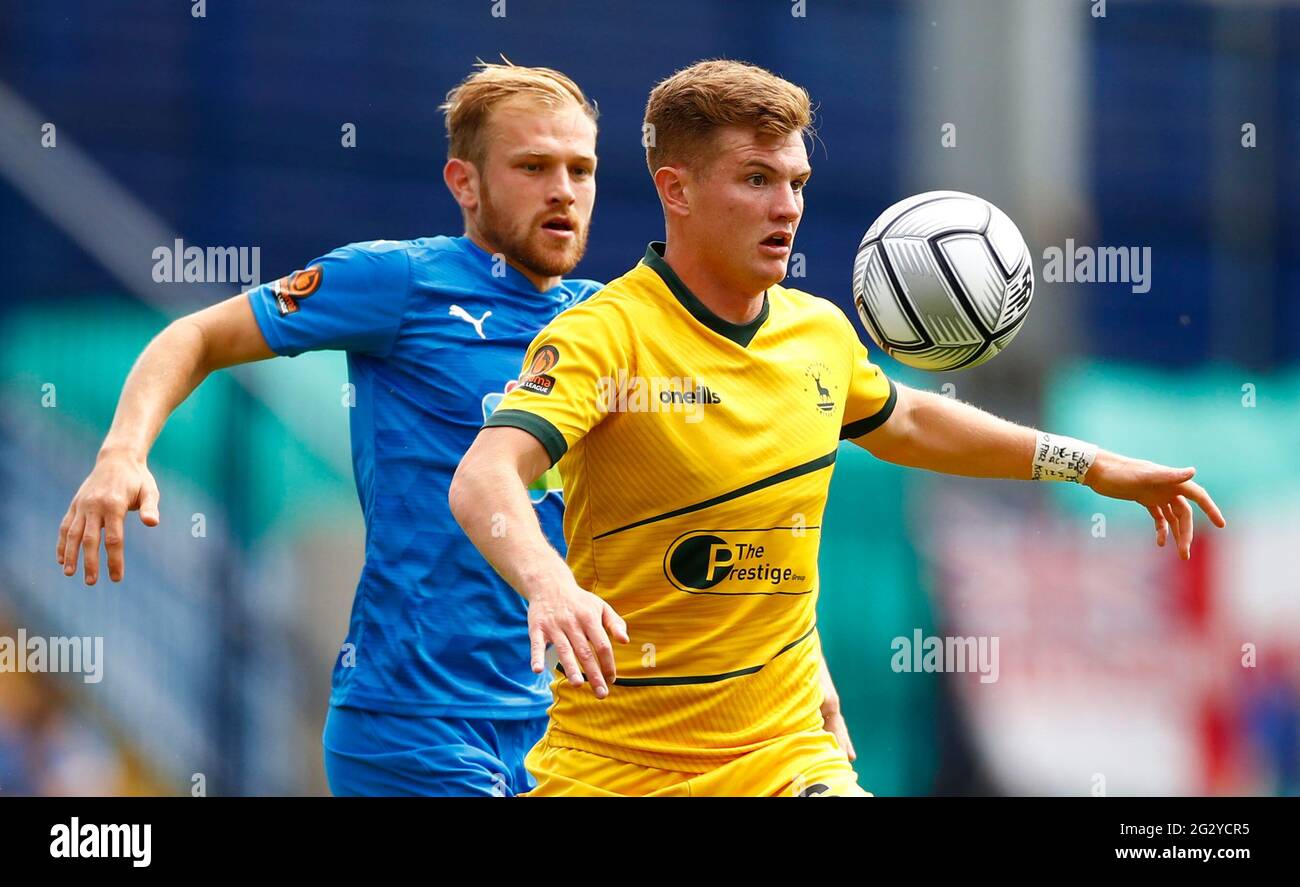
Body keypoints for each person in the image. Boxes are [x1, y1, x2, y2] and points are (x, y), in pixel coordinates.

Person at [447, 59, 1226, 796]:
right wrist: (549, 583)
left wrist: (1084, 463)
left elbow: (911, 419)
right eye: (756, 180)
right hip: (615, 767)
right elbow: (485, 475)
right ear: (675, 189)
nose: (786, 207)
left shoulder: (817, 333)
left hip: (785, 757)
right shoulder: (602, 336)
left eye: (796, 182)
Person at [56, 60, 603, 796]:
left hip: (562, 725)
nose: (563, 189)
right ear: (464, 184)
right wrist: (123, 452)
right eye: (533, 166)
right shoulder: (397, 282)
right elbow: (196, 336)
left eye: (581, 168)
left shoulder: (606, 323)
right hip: (412, 722)